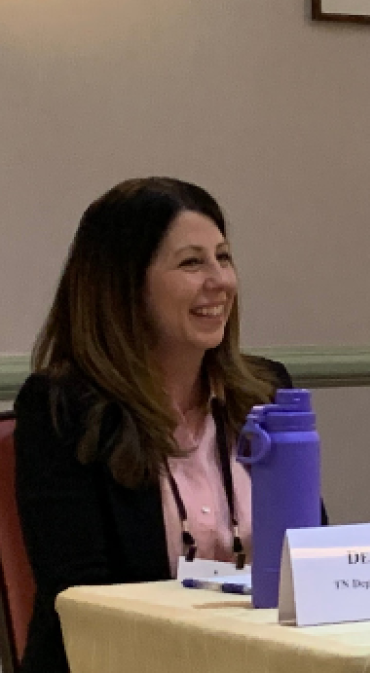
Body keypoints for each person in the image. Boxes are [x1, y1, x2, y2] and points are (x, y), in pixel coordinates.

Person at [13, 178, 288, 673]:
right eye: (191, 262)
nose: (220, 280)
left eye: (223, 258)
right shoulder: (62, 408)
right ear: (125, 285)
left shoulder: (265, 393)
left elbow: (305, 559)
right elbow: (82, 598)